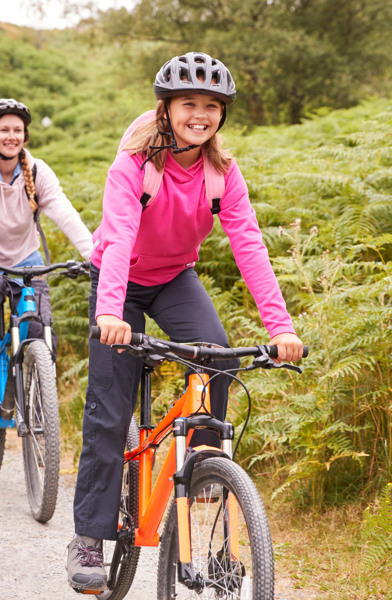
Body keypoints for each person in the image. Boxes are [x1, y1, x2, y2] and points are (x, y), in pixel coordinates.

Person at [66, 52, 305, 592]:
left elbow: (249, 246)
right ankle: (89, 536)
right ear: (166, 108)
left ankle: (202, 474)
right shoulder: (133, 165)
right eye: (188, 104)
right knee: (108, 411)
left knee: (217, 355)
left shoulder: (221, 172)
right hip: (118, 280)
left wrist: (280, 326)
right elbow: (120, 234)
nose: (200, 114)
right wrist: (109, 312)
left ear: (222, 114)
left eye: (211, 106)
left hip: (174, 277)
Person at [0, 98, 93, 395]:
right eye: (4, 130)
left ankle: (34, 396)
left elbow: (64, 212)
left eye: (18, 130)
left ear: (25, 135)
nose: (12, 136)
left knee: (41, 332)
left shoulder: (38, 172)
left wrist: (94, 253)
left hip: (26, 260)